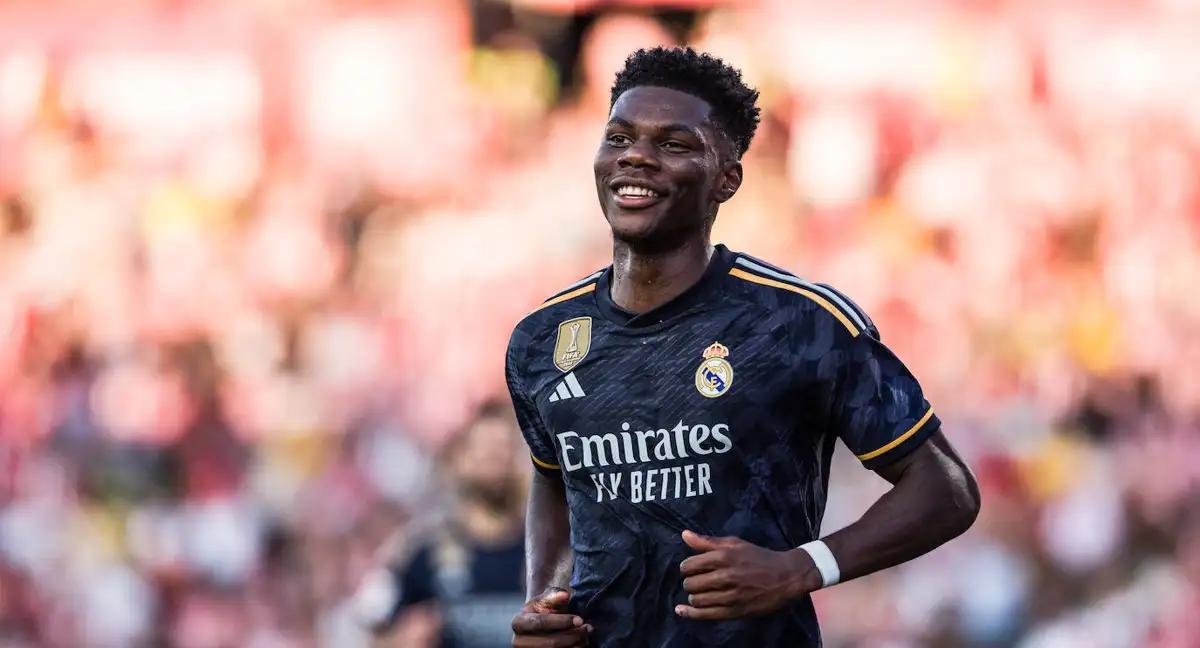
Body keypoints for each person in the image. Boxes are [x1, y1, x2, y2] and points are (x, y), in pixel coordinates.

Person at [503, 47, 980, 647]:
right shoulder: (542, 338)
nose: (636, 156)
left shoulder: (799, 322)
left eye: (674, 144)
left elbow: (946, 488)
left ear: (726, 180)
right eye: (619, 137)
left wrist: (802, 567)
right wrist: (545, 600)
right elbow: (554, 478)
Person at [358, 402, 528, 647]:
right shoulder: (422, 552)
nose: (497, 462)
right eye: (487, 451)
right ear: (459, 460)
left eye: (505, 449)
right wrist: (401, 639)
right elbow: (374, 632)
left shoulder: (546, 554)